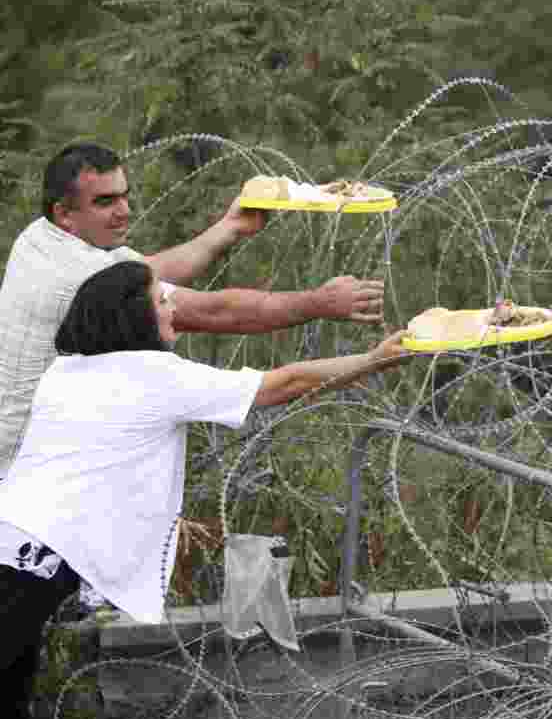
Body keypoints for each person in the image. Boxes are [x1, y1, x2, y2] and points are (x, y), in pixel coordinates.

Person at [0, 260, 409, 719]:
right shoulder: (154, 374)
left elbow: (93, 467)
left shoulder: (67, 371)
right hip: (28, 566)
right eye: (162, 300)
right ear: (135, 316)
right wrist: (372, 360)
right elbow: (285, 383)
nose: (173, 306)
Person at [0, 142, 387, 478]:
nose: (124, 211)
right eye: (105, 201)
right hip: (21, 468)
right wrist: (319, 302)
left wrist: (231, 227)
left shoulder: (42, 238)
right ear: (64, 213)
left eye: (123, 195)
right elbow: (216, 312)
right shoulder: (77, 278)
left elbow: (148, 273)